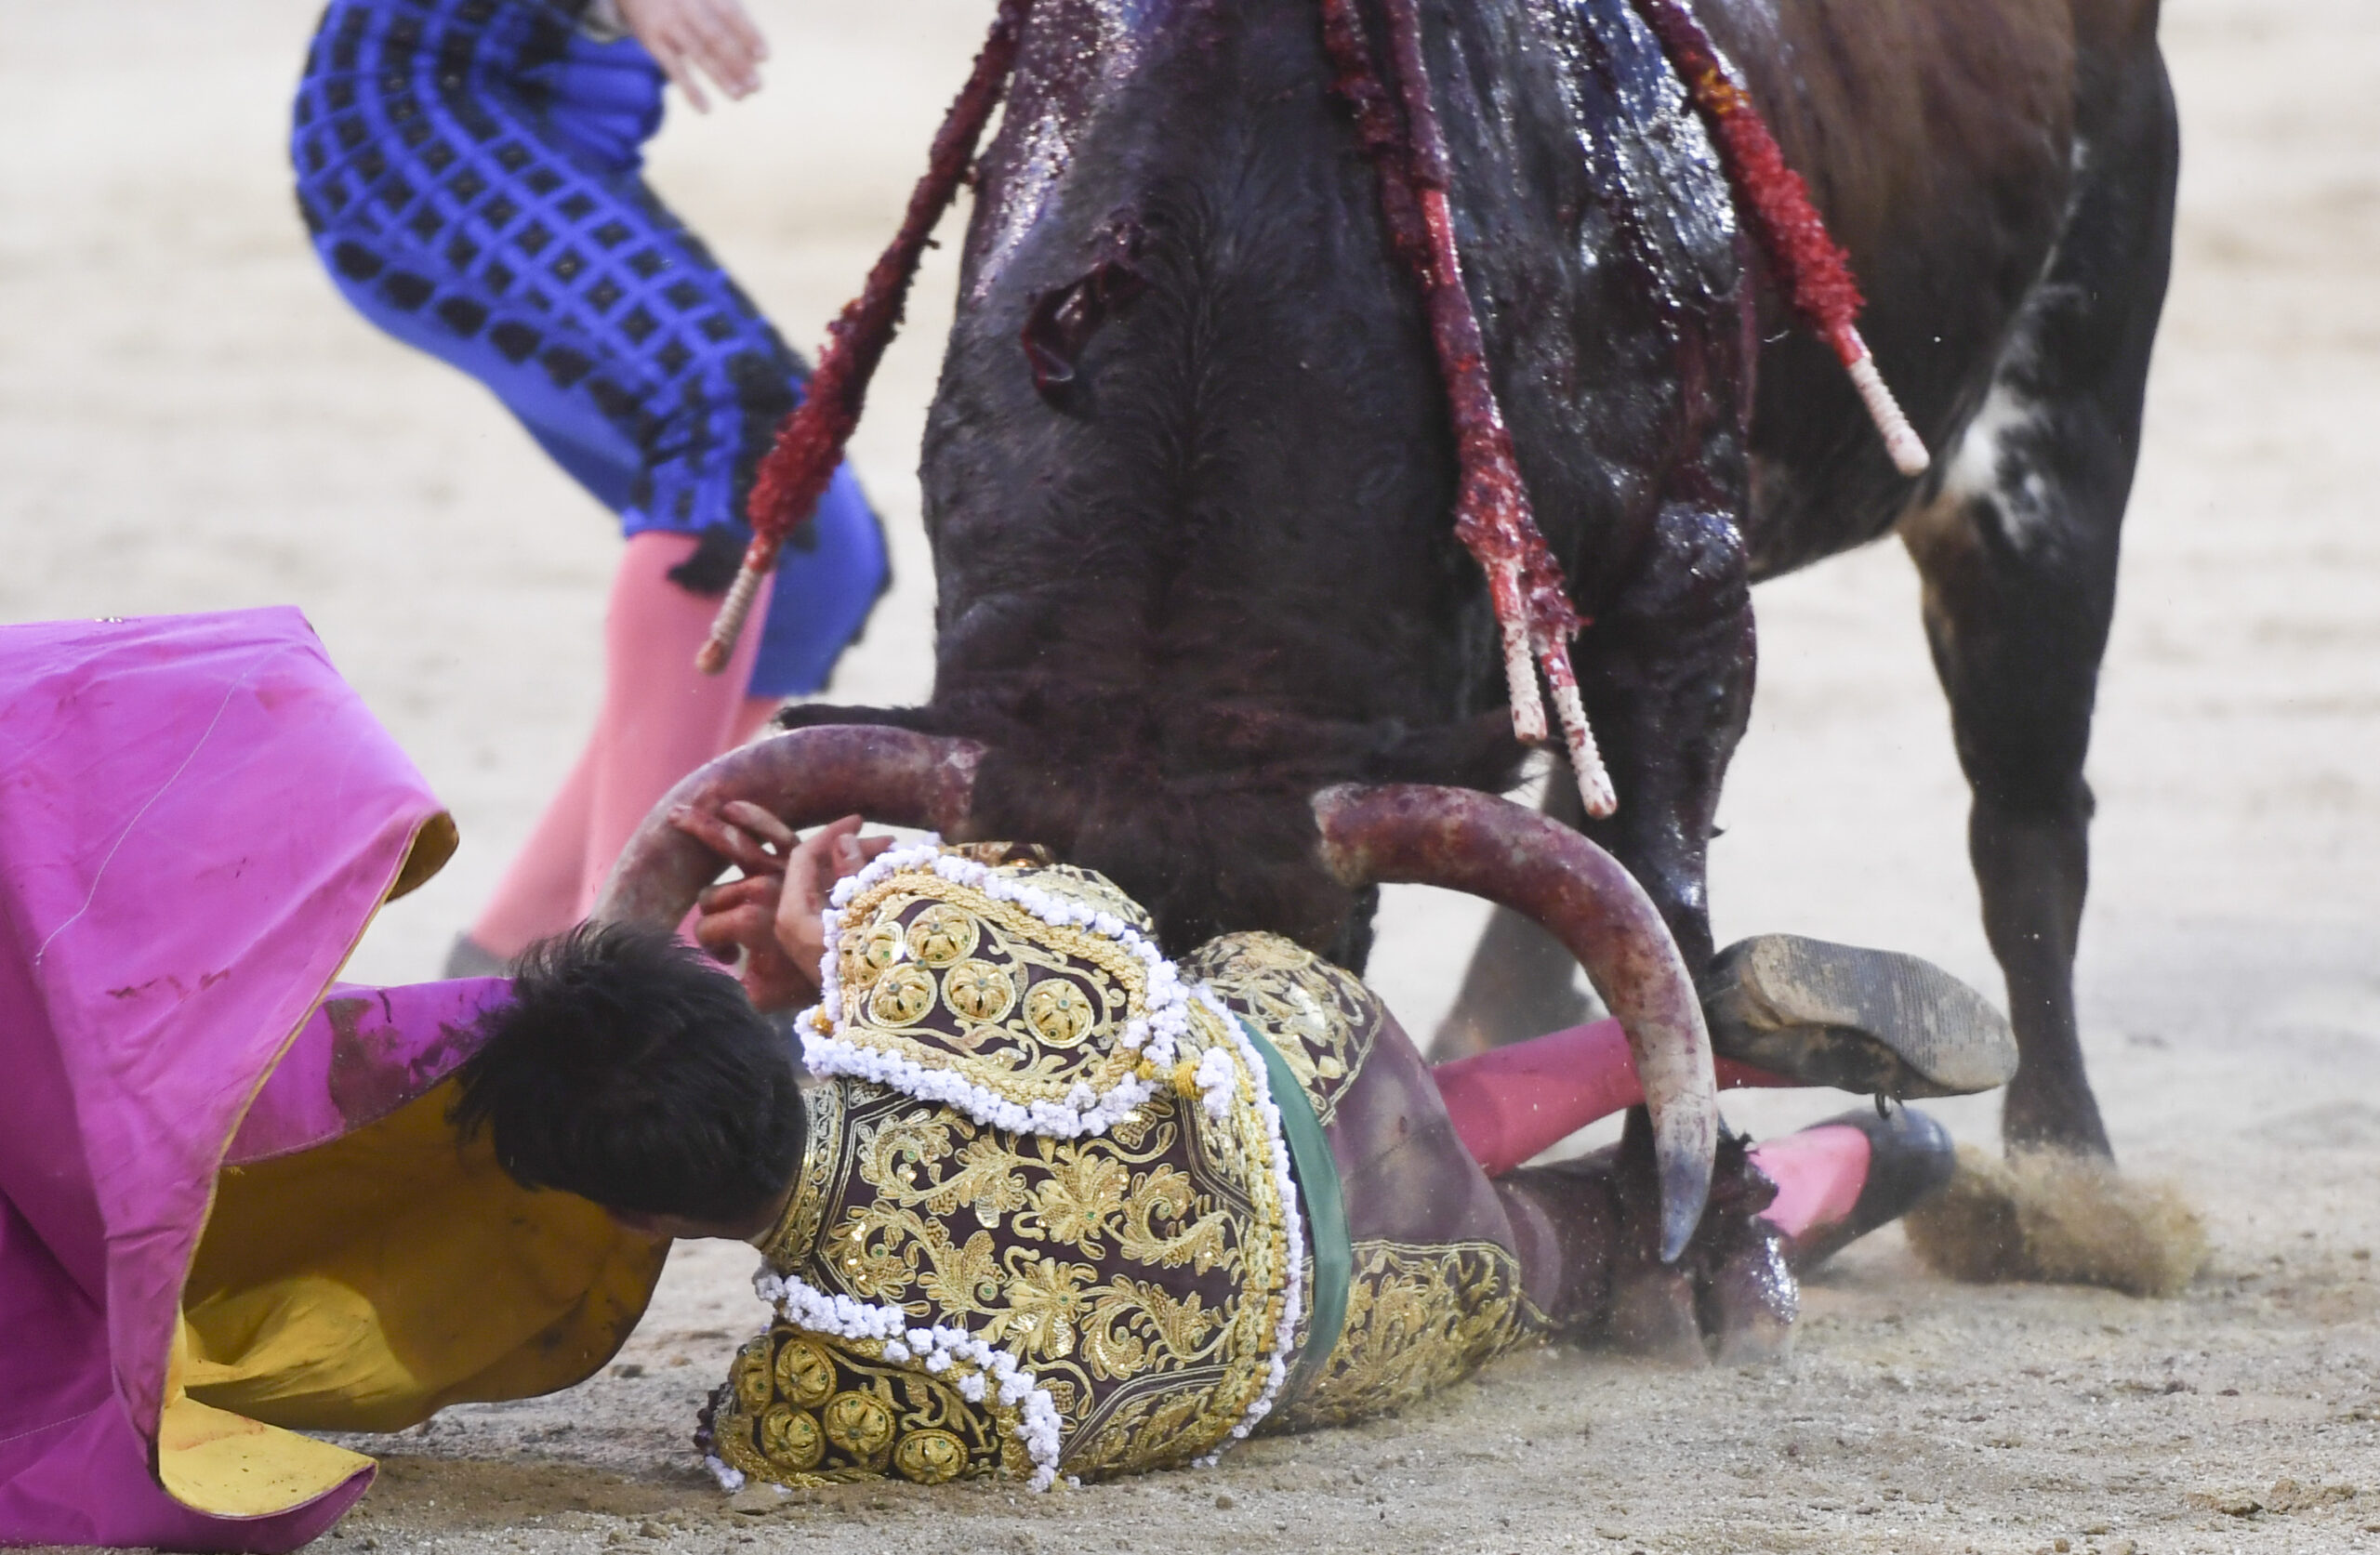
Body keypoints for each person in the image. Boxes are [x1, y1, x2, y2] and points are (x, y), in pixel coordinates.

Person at [452, 808, 1989, 1491]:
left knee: (1573, 1255)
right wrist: (843, 942)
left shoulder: (802, 1400)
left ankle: (1864, 1162)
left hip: (1357, 1309)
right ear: (740, 1022)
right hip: (1320, 1066)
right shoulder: (922, 966)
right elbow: (1090, 918)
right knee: (1358, 1101)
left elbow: (751, 1452)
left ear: (649, 1212)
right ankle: (1701, 1040)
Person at [289, 0, 891, 973]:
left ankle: (509, 967)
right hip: (422, 104)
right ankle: (639, 968)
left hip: (569, 123)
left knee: (820, 556)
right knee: (730, 424)